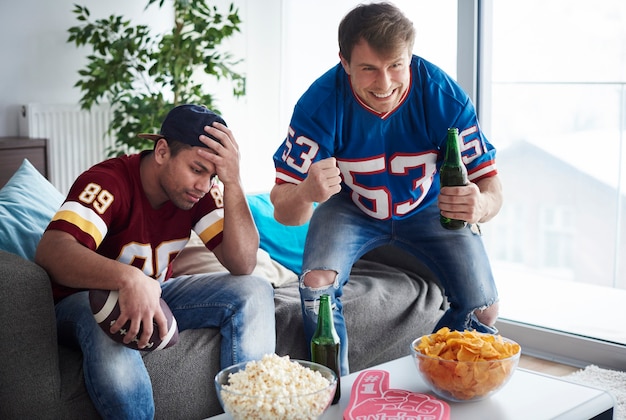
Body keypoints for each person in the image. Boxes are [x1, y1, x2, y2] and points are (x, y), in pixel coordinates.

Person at [270, 2, 502, 376]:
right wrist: (306, 193)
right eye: (368, 69)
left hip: (427, 206)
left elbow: (491, 185)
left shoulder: (442, 95)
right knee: (316, 286)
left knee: (484, 308)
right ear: (344, 63)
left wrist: (481, 205)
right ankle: (333, 392)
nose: (385, 83)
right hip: (350, 206)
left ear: (409, 56)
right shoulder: (319, 105)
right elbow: (284, 209)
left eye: (396, 65)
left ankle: (432, 374)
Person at [35, 104, 276, 419]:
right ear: (162, 151)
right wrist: (129, 279)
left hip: (157, 293)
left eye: (213, 175)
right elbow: (52, 249)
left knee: (255, 290)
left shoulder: (197, 192)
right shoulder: (109, 182)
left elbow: (242, 264)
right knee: (111, 319)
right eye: (197, 169)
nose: (203, 185)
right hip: (78, 302)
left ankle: (252, 414)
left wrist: (233, 182)